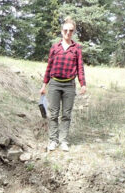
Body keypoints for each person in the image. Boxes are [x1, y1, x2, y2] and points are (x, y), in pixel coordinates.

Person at [41, 17, 87, 152]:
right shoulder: (55, 47)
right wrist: (44, 85)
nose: (68, 33)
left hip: (69, 86)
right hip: (54, 84)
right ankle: (53, 141)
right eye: (66, 30)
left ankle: (63, 141)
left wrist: (82, 84)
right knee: (53, 114)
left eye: (71, 31)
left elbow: (80, 67)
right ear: (62, 31)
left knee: (66, 115)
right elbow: (49, 66)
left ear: (73, 32)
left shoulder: (77, 48)